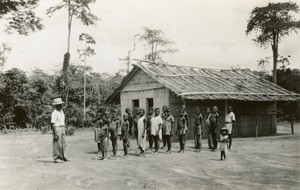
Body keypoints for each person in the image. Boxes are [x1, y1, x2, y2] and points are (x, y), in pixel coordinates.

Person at [51, 98, 68, 163]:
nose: (60, 106)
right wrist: (55, 134)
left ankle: (62, 156)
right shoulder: (54, 113)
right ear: (56, 106)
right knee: (57, 144)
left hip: (62, 127)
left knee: (64, 144)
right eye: (59, 105)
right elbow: (52, 124)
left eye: (61, 104)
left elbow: (62, 120)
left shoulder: (61, 111)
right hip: (57, 128)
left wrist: (64, 128)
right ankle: (56, 158)